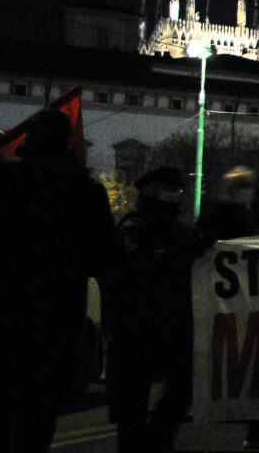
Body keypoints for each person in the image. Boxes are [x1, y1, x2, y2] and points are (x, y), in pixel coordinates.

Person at [0, 109, 118, 453]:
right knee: (39, 407)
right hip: (55, 316)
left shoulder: (1, 176)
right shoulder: (85, 189)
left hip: (2, 309)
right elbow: (105, 257)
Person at [105, 167, 211, 452]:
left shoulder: (179, 227)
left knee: (180, 389)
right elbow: (136, 265)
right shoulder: (133, 225)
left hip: (170, 325)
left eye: (177, 189)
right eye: (169, 188)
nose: (175, 194)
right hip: (137, 328)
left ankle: (154, 443)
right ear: (151, 190)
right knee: (133, 406)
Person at [198, 169, 259, 450]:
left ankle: (258, 428)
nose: (247, 193)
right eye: (243, 187)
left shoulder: (249, 220)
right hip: (234, 304)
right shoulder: (224, 217)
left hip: (255, 304)